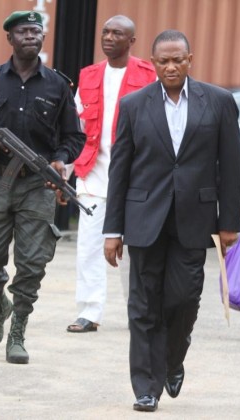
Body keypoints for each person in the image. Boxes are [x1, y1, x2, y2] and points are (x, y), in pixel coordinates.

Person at [102, 30, 240, 412]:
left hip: (195, 220)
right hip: (144, 219)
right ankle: (146, 387)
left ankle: (173, 358)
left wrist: (229, 222)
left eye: (177, 60)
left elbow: (230, 167)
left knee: (184, 300)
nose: (171, 67)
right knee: (143, 305)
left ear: (189, 59)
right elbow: (120, 170)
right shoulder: (133, 105)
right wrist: (113, 230)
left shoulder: (218, 101)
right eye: (163, 61)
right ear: (153, 63)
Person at [0, 11, 85, 364]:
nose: (31, 36)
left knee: (32, 263)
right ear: (10, 38)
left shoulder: (58, 85)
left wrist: (60, 160)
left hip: (38, 186)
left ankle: (18, 331)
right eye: (23, 31)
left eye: (36, 31)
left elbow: (74, 136)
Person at [66, 15, 156, 333]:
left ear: (131, 41)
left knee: (136, 251)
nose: (108, 37)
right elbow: (75, 129)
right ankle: (89, 311)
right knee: (89, 246)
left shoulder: (149, 74)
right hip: (93, 175)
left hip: (136, 179)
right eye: (105, 32)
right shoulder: (88, 75)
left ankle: (139, 312)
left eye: (117, 33)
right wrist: (64, 172)